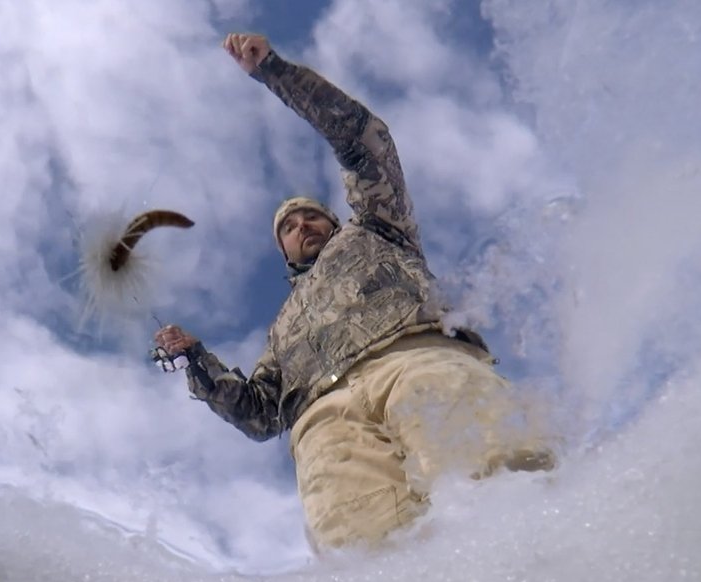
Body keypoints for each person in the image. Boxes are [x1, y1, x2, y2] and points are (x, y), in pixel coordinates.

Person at [155, 32, 556, 553]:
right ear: (284, 250)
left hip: (414, 360)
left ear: (334, 220)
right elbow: (258, 413)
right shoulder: (281, 329)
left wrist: (274, 70)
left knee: (502, 482)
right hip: (325, 424)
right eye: (290, 227)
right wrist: (195, 359)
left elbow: (366, 144)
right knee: (369, 561)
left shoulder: (377, 228)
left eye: (312, 216)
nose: (303, 226)